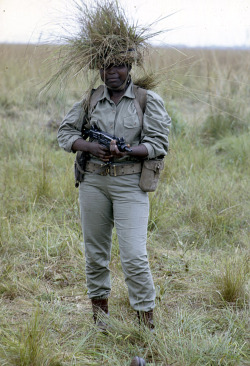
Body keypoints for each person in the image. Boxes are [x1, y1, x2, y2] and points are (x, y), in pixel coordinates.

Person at [57, 60, 171, 331]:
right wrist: (91, 147)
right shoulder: (91, 99)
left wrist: (127, 151)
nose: (112, 73)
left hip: (130, 182)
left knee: (134, 255)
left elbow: (158, 143)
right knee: (95, 253)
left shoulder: (146, 100)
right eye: (106, 67)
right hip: (93, 181)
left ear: (129, 67)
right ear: (99, 69)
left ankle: (147, 325)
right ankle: (100, 322)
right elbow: (65, 133)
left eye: (119, 66)